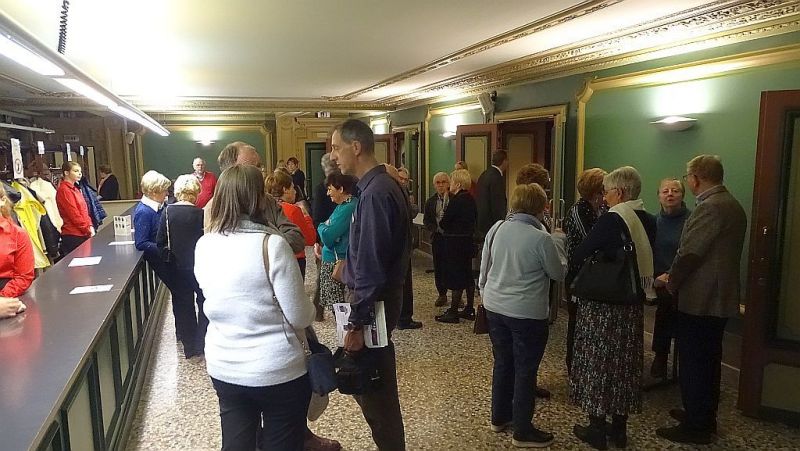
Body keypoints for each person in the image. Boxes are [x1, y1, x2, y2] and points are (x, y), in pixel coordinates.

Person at [194, 164, 315, 451]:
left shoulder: (205, 244)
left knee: (236, 442)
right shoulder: (272, 245)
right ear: (258, 198)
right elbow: (299, 316)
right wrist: (311, 309)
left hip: (225, 366)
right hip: (277, 368)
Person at [330, 119, 410, 450]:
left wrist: (356, 324)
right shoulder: (378, 187)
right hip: (378, 301)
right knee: (374, 391)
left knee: (376, 394)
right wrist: (350, 268)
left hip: (374, 307)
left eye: (337, 148)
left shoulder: (377, 193)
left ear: (356, 147)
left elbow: (373, 267)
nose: (333, 156)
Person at [656, 155, 746, 445]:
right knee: (709, 360)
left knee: (695, 362)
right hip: (718, 297)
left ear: (695, 178)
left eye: (686, 178)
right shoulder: (731, 204)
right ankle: (703, 415)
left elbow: (690, 252)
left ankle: (696, 426)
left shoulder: (710, 207)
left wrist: (672, 281)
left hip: (702, 298)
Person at [569, 166, 656, 450]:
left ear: (619, 192)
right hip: (631, 303)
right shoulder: (648, 219)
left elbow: (582, 252)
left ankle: (596, 427)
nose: (604, 198)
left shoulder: (612, 219)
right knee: (624, 366)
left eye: (607, 192)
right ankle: (619, 429)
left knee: (598, 364)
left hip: (604, 306)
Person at [479, 183, 565, 448]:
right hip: (526, 312)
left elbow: (484, 267)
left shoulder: (496, 228)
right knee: (525, 369)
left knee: (503, 362)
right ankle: (523, 430)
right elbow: (558, 273)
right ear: (540, 207)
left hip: (495, 306)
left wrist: (484, 294)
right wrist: (559, 242)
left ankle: (499, 417)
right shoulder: (541, 238)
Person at [204, 141, 304, 254]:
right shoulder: (214, 207)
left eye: (260, 167)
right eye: (254, 167)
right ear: (231, 171)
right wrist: (269, 239)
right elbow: (214, 253)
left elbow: (297, 240)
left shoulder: (268, 200)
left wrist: (267, 241)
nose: (261, 173)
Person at [156, 175, 207, 359]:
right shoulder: (201, 214)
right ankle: (202, 342)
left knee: (183, 304)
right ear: (195, 192)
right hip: (199, 266)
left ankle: (189, 346)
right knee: (203, 301)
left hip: (176, 266)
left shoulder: (167, 212)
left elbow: (160, 241)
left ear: (177, 192)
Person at [562, 168, 606, 374]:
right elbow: (591, 241)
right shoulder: (579, 210)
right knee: (576, 320)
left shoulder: (601, 209)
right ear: (596, 191)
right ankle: (573, 364)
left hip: (593, 274)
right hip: (578, 274)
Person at [649, 178, 690, 379]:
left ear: (682, 196)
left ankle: (683, 361)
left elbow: (689, 253)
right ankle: (661, 356)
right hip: (658, 279)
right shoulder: (654, 222)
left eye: (675, 190)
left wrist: (672, 275)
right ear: (659, 196)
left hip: (685, 278)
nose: (670, 194)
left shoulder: (691, 221)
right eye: (665, 191)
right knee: (665, 304)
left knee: (674, 304)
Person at [435, 169, 477, 324]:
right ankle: (469, 308)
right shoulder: (470, 199)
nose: (449, 185)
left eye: (451, 181)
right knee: (467, 275)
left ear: (458, 184)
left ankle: (453, 311)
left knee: (456, 277)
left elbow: (444, 222)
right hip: (467, 241)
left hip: (454, 243)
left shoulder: (457, 200)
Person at [387, 164, 422, 330]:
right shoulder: (393, 194)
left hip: (404, 242)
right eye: (400, 178)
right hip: (398, 245)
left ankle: (403, 316)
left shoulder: (405, 193)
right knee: (402, 284)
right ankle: (403, 318)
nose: (403, 182)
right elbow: (409, 211)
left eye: (405, 180)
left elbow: (413, 210)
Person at [317, 172, 358, 312]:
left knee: (341, 310)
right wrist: (325, 227)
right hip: (334, 261)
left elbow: (328, 236)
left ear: (340, 189)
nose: (328, 193)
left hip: (337, 264)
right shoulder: (343, 206)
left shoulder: (348, 207)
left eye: (330, 189)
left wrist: (321, 226)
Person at [264, 170, 316, 276]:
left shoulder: (264, 209)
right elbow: (310, 239)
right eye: (292, 188)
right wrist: (306, 216)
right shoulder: (293, 210)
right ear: (285, 190)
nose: (295, 192)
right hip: (294, 259)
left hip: (271, 258)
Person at [312, 153, 339, 320]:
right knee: (324, 276)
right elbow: (317, 217)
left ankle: (318, 311)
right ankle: (318, 310)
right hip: (328, 236)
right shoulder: (322, 189)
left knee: (324, 276)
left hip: (328, 235)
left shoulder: (321, 187)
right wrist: (319, 241)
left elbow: (317, 217)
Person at [134, 170, 173, 286]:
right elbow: (141, 243)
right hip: (161, 260)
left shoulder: (159, 207)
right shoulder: (143, 212)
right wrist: (166, 249)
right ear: (154, 192)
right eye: (164, 190)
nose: (167, 193)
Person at [0, 183, 33, 318]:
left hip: (8, 299)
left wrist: (3, 298)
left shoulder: (18, 234)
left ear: (2, 200)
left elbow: (24, 277)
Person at [423, 172, 450, 307]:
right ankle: (442, 294)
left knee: (452, 266)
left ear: (448, 183)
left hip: (452, 238)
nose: (441, 185)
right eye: (438, 183)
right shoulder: (430, 202)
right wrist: (435, 228)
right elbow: (426, 221)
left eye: (443, 182)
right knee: (439, 267)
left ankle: (456, 294)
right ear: (434, 185)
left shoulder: (454, 199)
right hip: (437, 238)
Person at [56, 161, 94, 256]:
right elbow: (73, 214)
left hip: (83, 232)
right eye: (76, 171)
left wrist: (90, 226)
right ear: (66, 172)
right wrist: (87, 229)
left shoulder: (75, 189)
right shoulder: (64, 190)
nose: (79, 174)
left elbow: (84, 211)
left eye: (80, 171)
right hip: (73, 234)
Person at [476, 150, 508, 235]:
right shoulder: (497, 177)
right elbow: (498, 204)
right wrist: (501, 224)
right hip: (492, 225)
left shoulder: (484, 174)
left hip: (481, 222)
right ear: (504, 161)